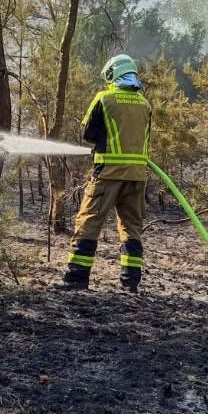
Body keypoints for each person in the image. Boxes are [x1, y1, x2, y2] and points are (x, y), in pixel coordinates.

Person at [55, 54, 152, 293]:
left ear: (112, 74)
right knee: (131, 228)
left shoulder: (104, 98)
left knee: (88, 222)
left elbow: (88, 133)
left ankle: (76, 279)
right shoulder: (145, 104)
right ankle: (130, 284)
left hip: (107, 173)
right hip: (137, 177)